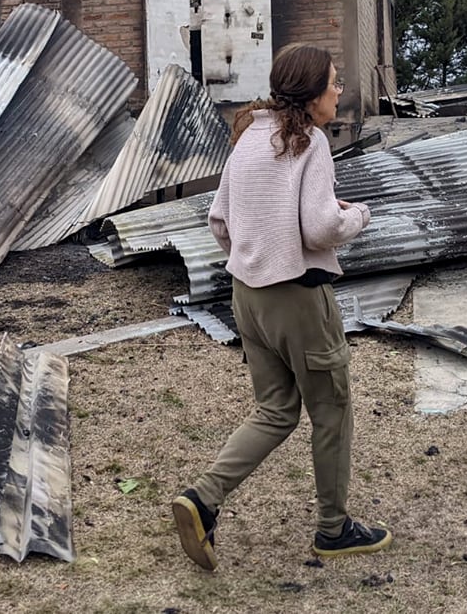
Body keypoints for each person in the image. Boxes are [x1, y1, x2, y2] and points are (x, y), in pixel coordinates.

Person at [171, 43, 392, 571]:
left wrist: (258, 255)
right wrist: (357, 215)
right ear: (312, 94)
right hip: (297, 297)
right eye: (334, 83)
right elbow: (319, 228)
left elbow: (220, 221)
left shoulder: (248, 137)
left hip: (247, 295)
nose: (339, 92)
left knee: (275, 409)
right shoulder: (311, 142)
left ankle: (202, 500)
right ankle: (333, 530)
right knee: (331, 410)